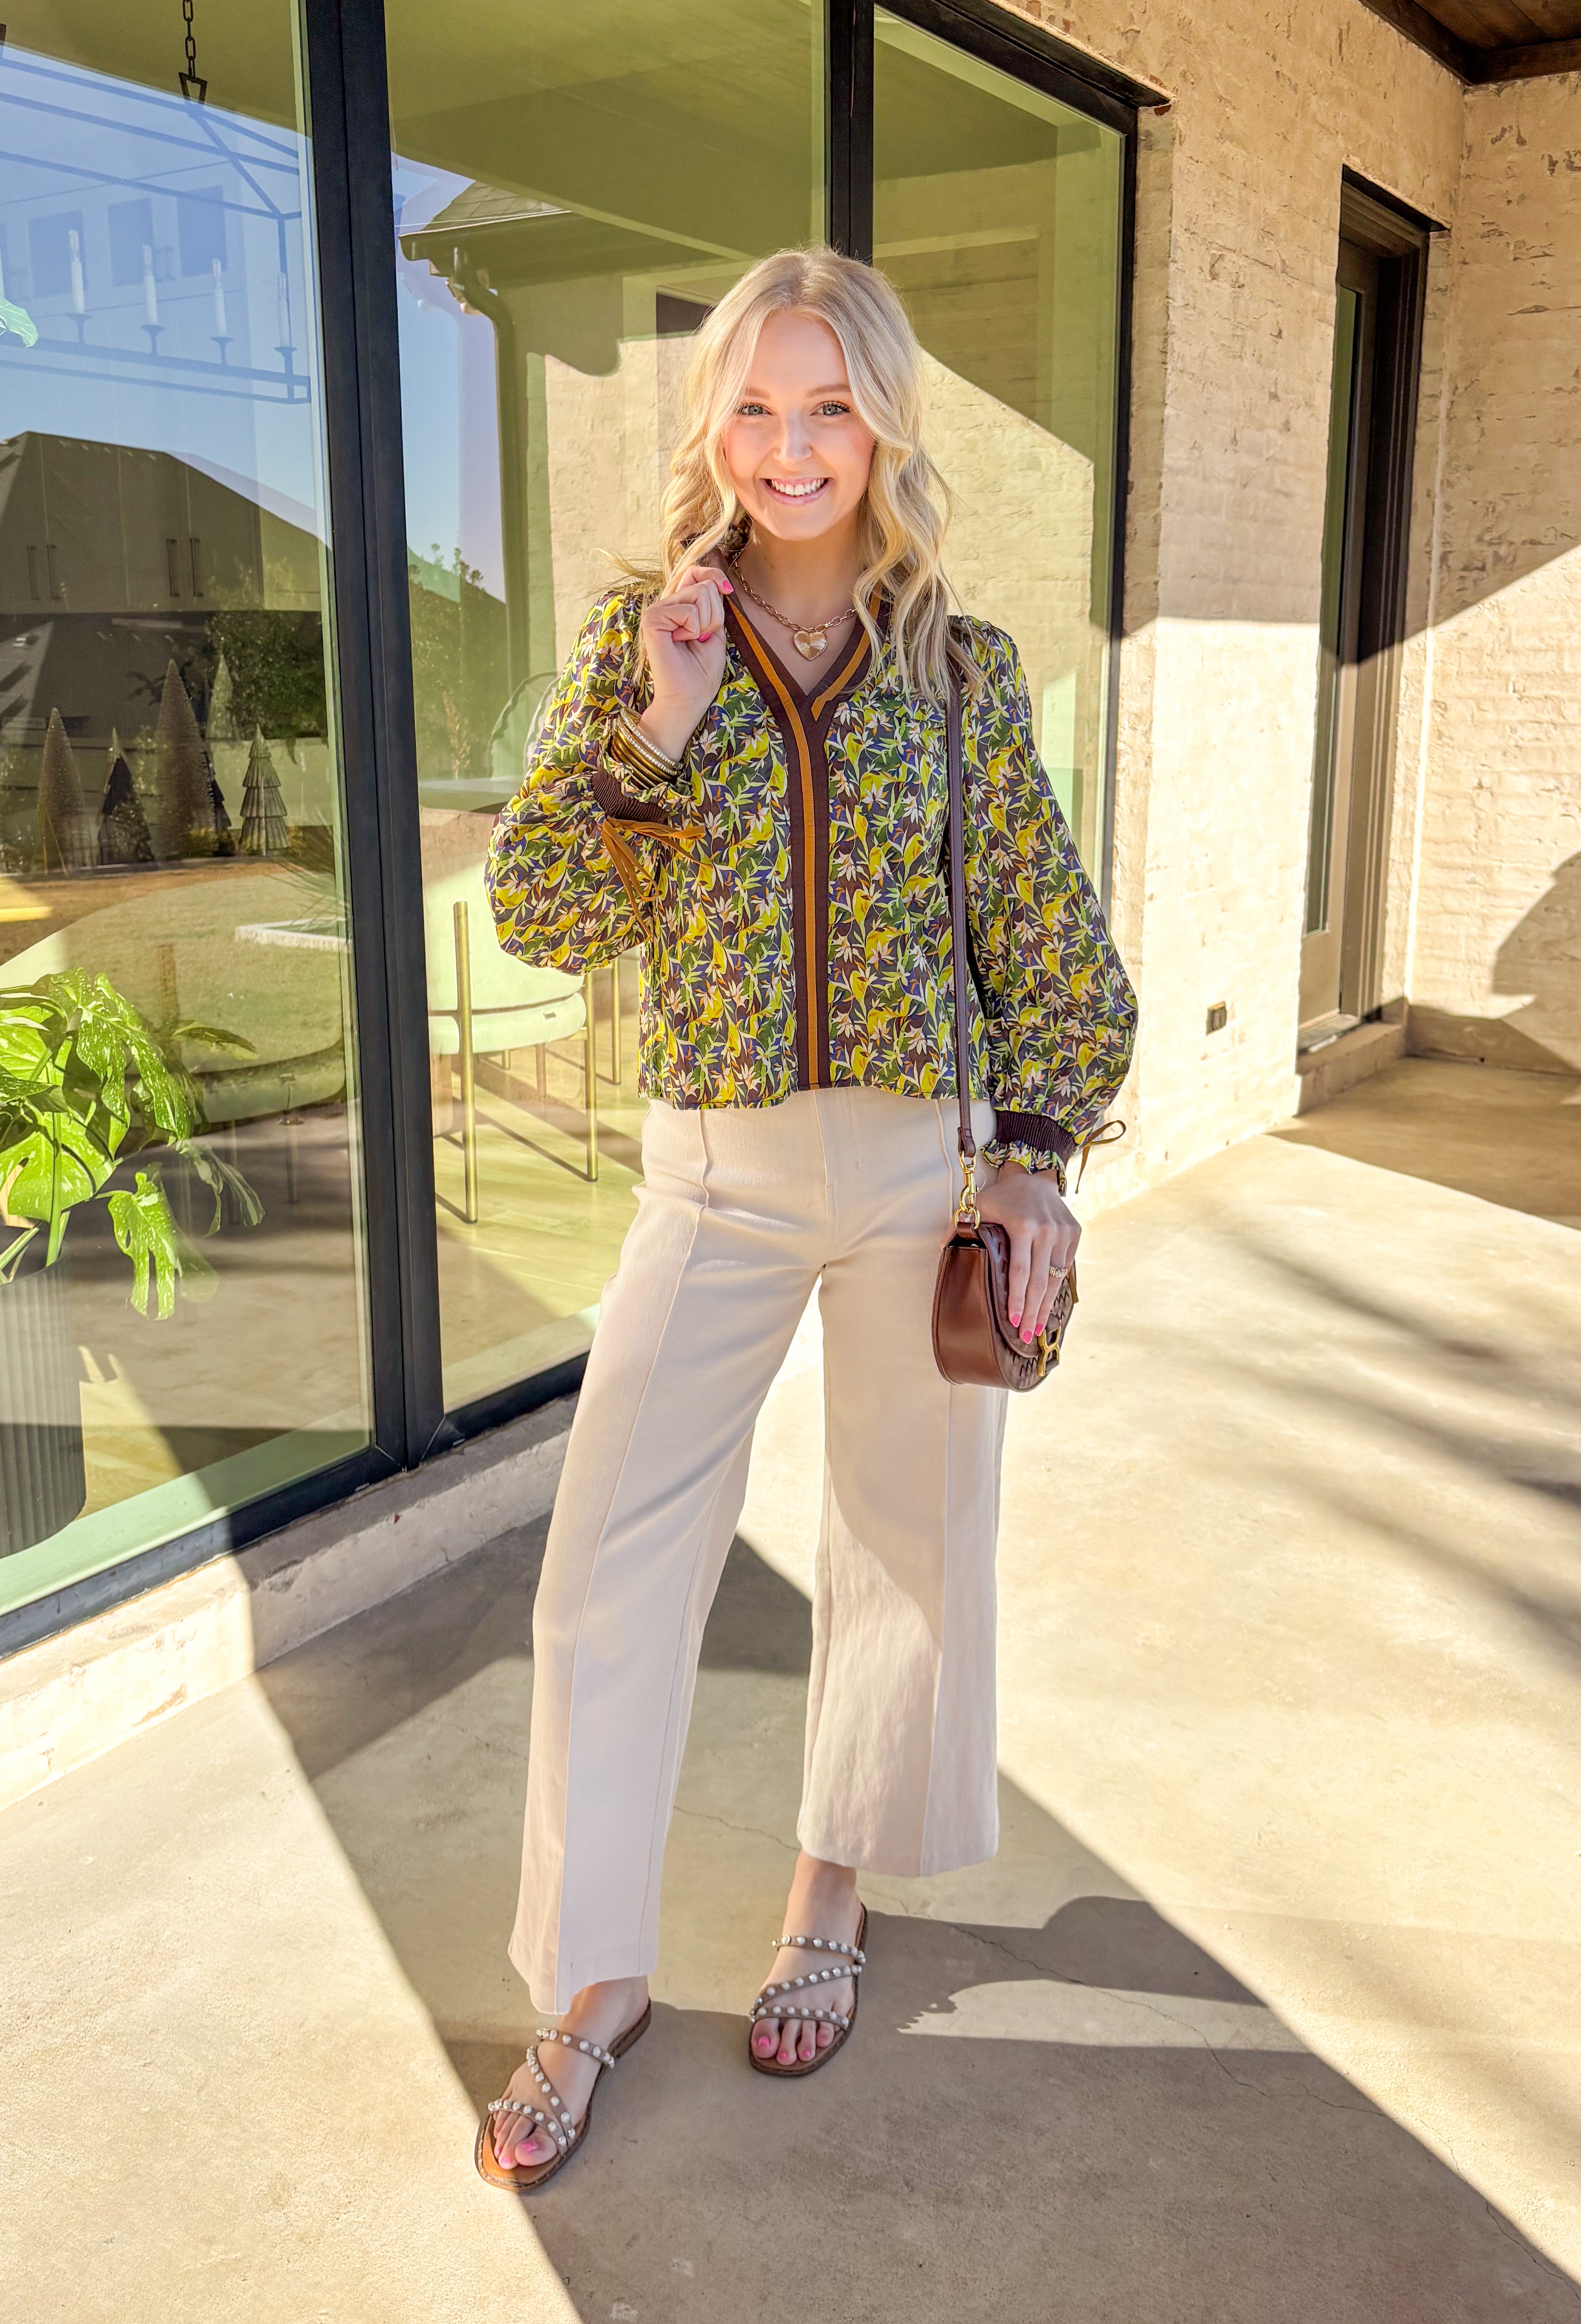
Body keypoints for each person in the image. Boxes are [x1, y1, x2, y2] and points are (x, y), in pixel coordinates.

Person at [477, 246, 1136, 2189]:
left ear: (881, 425)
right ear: (717, 430)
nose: (789, 447)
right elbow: (538, 917)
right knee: (607, 1568)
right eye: (755, 408)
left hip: (918, 1161)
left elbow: (1036, 929)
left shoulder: (957, 662)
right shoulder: (642, 641)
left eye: (827, 405)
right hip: (714, 1169)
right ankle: (590, 1981)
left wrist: (1036, 1154)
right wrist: (657, 738)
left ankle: (823, 1900)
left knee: (901, 1544)